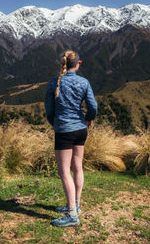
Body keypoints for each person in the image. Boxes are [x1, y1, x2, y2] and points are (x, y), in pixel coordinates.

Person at [44, 50, 98, 227]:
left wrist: (55, 122)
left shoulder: (55, 82)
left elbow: (49, 108)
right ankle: (76, 204)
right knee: (77, 166)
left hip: (64, 130)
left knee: (64, 172)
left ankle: (72, 215)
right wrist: (88, 118)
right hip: (81, 129)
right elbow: (93, 106)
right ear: (78, 64)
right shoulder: (84, 82)